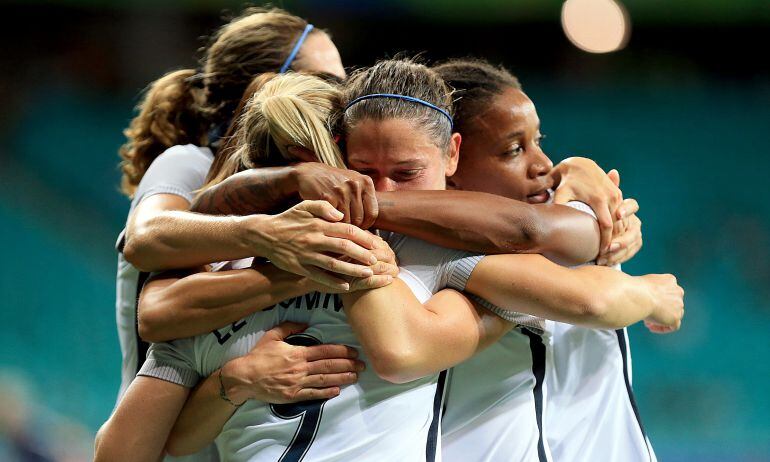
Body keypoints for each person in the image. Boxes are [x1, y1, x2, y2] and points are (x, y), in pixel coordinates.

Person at [109, 60, 681, 461]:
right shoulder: (412, 256)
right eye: (362, 175)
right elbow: (404, 350)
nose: (541, 165)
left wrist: (576, 173)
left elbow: (158, 314)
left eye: (405, 175)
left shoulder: (491, 232)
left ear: (450, 156)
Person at [113, 7, 370, 408]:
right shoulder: (189, 163)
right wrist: (270, 240)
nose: (344, 96)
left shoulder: (314, 184)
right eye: (327, 80)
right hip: (164, 435)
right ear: (269, 87)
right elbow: (143, 238)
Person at [434, 57, 665, 461]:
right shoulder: (436, 259)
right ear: (450, 161)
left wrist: (582, 171)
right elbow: (594, 302)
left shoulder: (577, 214)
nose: (542, 165)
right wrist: (652, 294)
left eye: (538, 141)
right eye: (513, 150)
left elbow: (563, 225)